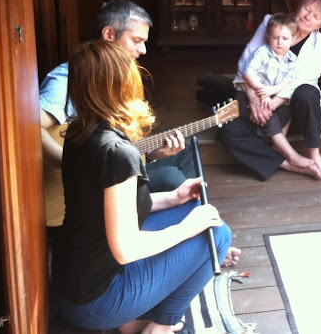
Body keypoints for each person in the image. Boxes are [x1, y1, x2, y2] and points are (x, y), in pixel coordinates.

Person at [53, 40, 232, 333]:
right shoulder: (116, 152)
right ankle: (160, 326)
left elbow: (108, 210)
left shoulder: (80, 131)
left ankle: (131, 321)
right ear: (122, 87)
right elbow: (126, 249)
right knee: (218, 232)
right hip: (95, 303)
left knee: (196, 211)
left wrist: (173, 198)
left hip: (72, 282)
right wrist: (189, 227)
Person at [39, 1, 194, 200]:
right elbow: (30, 130)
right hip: (92, 187)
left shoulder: (118, 77)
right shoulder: (68, 79)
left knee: (185, 152)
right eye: (136, 40)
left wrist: (153, 153)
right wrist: (75, 165)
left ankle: (191, 207)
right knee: (171, 178)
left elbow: (117, 149)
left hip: (115, 170)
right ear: (109, 34)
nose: (143, 50)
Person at [219, 0, 321, 182]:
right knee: (227, 129)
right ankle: (288, 163)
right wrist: (255, 99)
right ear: (298, 7)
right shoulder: (272, 22)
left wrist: (271, 104)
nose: (308, 17)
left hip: (293, 110)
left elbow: (303, 79)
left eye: (316, 17)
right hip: (256, 101)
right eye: (307, 10)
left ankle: (315, 156)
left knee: (307, 91)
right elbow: (246, 63)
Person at [238, 13, 312, 171]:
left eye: (285, 38)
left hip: (270, 93)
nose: (280, 42)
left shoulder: (292, 59)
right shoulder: (262, 53)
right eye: (275, 38)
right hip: (252, 92)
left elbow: (287, 82)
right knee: (268, 113)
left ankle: (277, 144)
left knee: (287, 108)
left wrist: (271, 91)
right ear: (268, 37)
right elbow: (247, 73)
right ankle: (291, 154)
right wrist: (262, 92)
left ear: (293, 40)